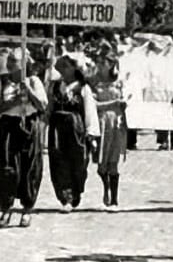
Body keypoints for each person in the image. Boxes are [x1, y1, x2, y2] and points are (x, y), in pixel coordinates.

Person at [0, 47, 47, 228]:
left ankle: (27, 209)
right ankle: (6, 209)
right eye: (10, 60)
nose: (10, 64)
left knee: (29, 166)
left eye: (14, 60)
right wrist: (14, 100)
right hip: (8, 125)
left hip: (29, 124)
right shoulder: (2, 81)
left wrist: (28, 90)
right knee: (6, 166)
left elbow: (42, 106)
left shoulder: (34, 80)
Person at [47, 54, 100, 212]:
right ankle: (66, 197)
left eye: (66, 66)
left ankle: (76, 192)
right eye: (61, 66)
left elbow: (90, 111)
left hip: (76, 129)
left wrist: (92, 133)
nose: (63, 69)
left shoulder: (83, 88)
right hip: (57, 128)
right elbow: (49, 108)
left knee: (77, 162)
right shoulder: (54, 86)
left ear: (74, 68)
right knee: (58, 161)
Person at [92, 54, 126, 210]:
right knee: (101, 162)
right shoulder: (95, 81)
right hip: (101, 123)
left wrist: (124, 105)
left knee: (113, 161)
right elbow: (94, 104)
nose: (100, 65)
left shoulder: (120, 82)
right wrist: (114, 103)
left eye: (103, 62)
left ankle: (114, 199)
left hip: (116, 123)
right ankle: (105, 188)